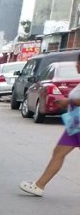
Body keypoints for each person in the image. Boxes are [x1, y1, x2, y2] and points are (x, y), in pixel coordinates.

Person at [20, 56, 80, 196]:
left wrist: (67, 101)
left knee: (58, 152)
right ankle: (39, 185)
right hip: (75, 124)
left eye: (78, 62)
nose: (76, 65)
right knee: (58, 152)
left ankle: (40, 185)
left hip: (77, 125)